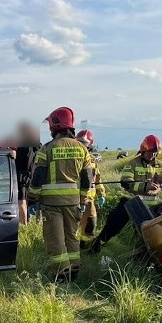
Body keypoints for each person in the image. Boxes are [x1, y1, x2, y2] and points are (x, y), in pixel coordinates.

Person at [30, 106, 95, 282]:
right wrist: (82, 199)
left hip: (52, 205)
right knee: (72, 238)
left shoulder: (47, 148)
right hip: (74, 203)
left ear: (54, 125)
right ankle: (74, 272)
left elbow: (38, 176)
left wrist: (32, 196)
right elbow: (87, 177)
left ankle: (61, 276)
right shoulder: (82, 149)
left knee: (55, 240)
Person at [90, 135, 162, 252]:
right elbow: (126, 183)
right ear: (143, 151)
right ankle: (96, 246)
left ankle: (142, 255)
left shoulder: (161, 165)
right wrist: (146, 186)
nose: (154, 155)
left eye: (156, 152)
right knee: (113, 224)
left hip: (151, 206)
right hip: (131, 203)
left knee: (146, 234)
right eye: (151, 152)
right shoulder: (133, 164)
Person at [75, 129, 103, 243]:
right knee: (73, 225)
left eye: (85, 144)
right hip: (74, 199)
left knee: (90, 223)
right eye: (79, 143)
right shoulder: (73, 159)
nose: (82, 146)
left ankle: (86, 246)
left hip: (89, 199)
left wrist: (101, 194)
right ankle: (72, 245)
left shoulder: (92, 160)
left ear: (89, 146)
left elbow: (98, 179)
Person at [14, 121, 41, 225]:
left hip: (23, 177)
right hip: (31, 177)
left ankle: (24, 225)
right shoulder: (35, 147)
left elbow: (25, 162)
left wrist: (15, 155)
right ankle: (31, 223)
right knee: (29, 202)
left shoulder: (26, 146)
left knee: (21, 202)